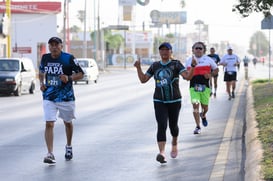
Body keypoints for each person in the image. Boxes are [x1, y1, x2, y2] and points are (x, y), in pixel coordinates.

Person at [134, 42, 196, 164]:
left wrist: (193, 67)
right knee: (161, 125)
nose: (164, 52)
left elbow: (187, 77)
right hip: (159, 100)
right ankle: (162, 153)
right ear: (159, 52)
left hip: (174, 100)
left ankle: (174, 143)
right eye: (162, 50)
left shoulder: (176, 64)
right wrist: (138, 68)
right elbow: (143, 80)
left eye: (166, 50)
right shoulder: (155, 65)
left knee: (173, 125)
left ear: (170, 52)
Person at [39, 37, 84, 164]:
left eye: (56, 45)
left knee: (67, 122)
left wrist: (68, 78)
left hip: (66, 97)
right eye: (51, 45)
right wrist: (41, 83)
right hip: (49, 96)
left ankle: (68, 146)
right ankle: (50, 153)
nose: (54, 47)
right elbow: (41, 72)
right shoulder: (45, 58)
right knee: (49, 123)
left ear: (61, 46)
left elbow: (81, 74)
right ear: (49, 47)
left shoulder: (69, 58)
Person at [185, 42, 219, 134]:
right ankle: (198, 126)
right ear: (193, 50)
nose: (198, 50)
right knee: (195, 105)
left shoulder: (208, 59)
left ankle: (203, 115)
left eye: (200, 48)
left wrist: (210, 74)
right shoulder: (188, 60)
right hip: (193, 87)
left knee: (205, 107)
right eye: (196, 48)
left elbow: (216, 70)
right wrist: (187, 76)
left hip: (205, 87)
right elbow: (185, 74)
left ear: (204, 50)